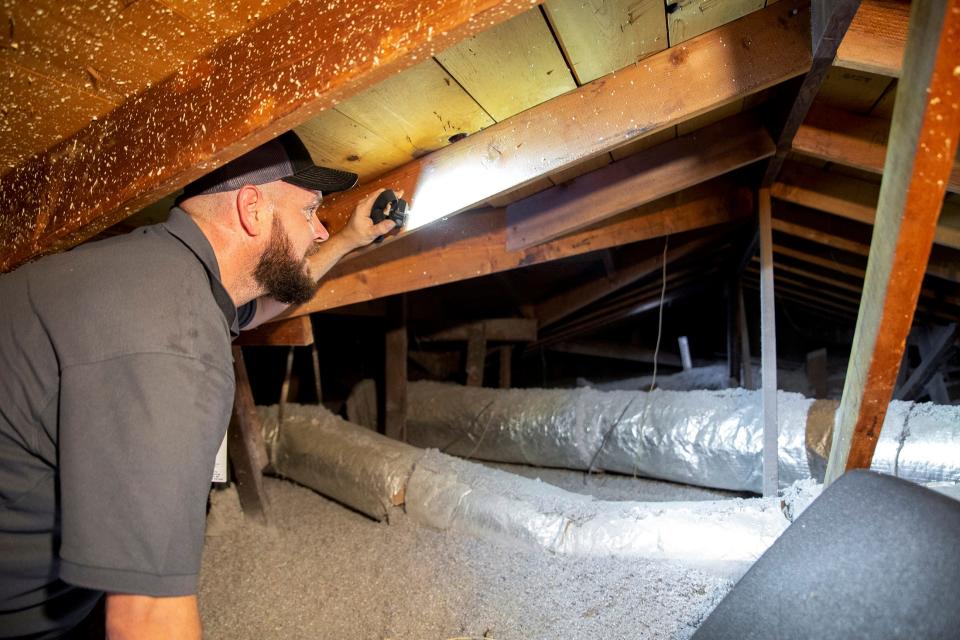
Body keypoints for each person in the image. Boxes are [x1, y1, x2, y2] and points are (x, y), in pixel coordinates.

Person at [0, 131, 398, 638]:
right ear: (252, 207)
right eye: (310, 211)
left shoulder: (156, 269)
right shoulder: (176, 339)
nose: (320, 231)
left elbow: (258, 308)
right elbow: (144, 617)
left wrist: (350, 240)